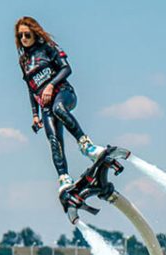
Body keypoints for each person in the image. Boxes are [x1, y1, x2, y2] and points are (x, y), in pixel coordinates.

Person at [15, 16, 106, 194]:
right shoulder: (23, 61)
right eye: (20, 36)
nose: (23, 39)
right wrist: (35, 115)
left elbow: (67, 68)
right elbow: (30, 88)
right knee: (53, 138)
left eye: (27, 34)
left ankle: (87, 146)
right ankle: (64, 177)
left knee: (58, 109)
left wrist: (50, 85)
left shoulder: (48, 48)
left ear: (34, 33)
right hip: (45, 104)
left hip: (63, 94)